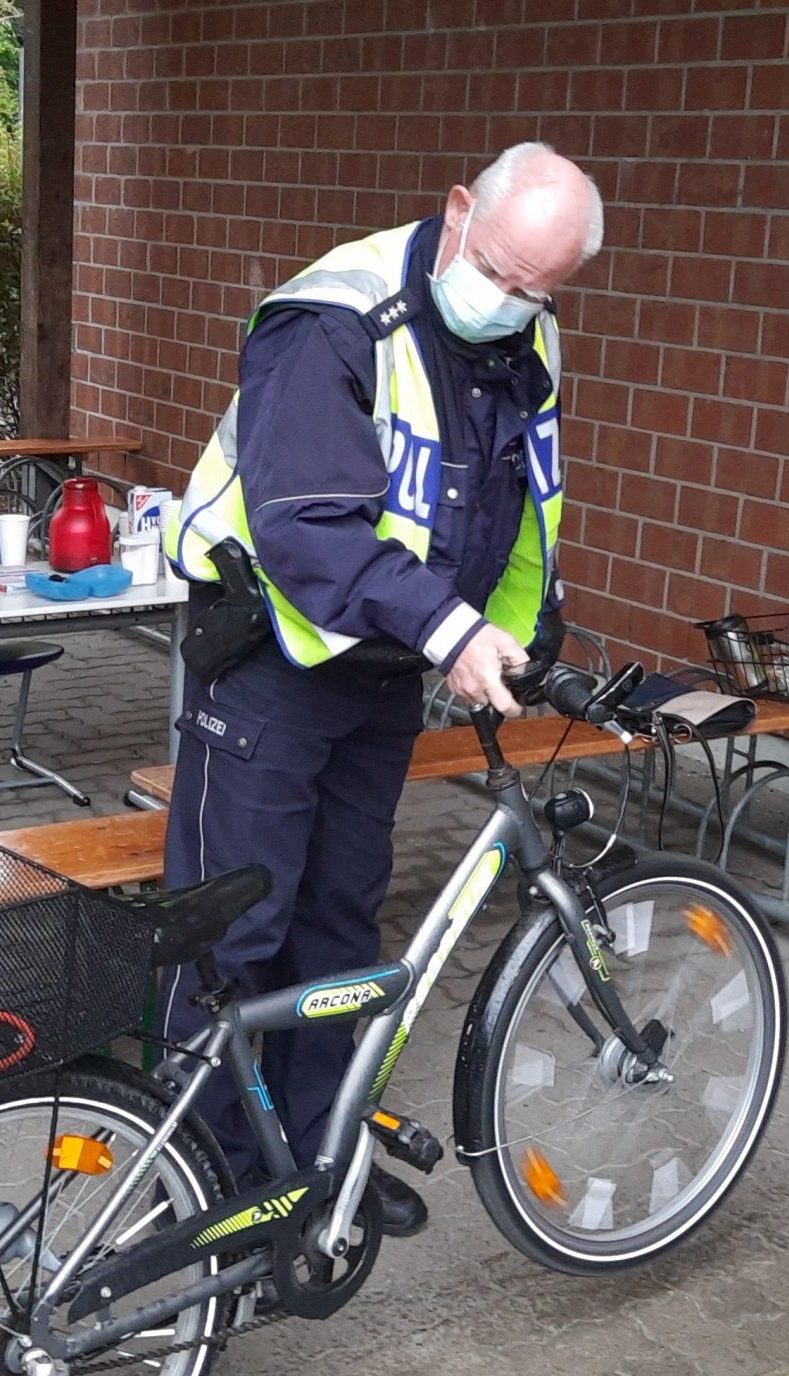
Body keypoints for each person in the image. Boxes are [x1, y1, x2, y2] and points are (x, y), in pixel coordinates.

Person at [160, 142, 603, 1234]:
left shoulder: (524, 336)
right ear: (456, 210)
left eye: (535, 288)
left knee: (339, 924)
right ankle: (199, 1189)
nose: (507, 302)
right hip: (268, 657)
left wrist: (516, 638)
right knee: (234, 931)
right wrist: (445, 626)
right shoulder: (333, 321)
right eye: (495, 271)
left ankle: (317, 1161)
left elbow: (519, 506)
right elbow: (305, 525)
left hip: (380, 666)